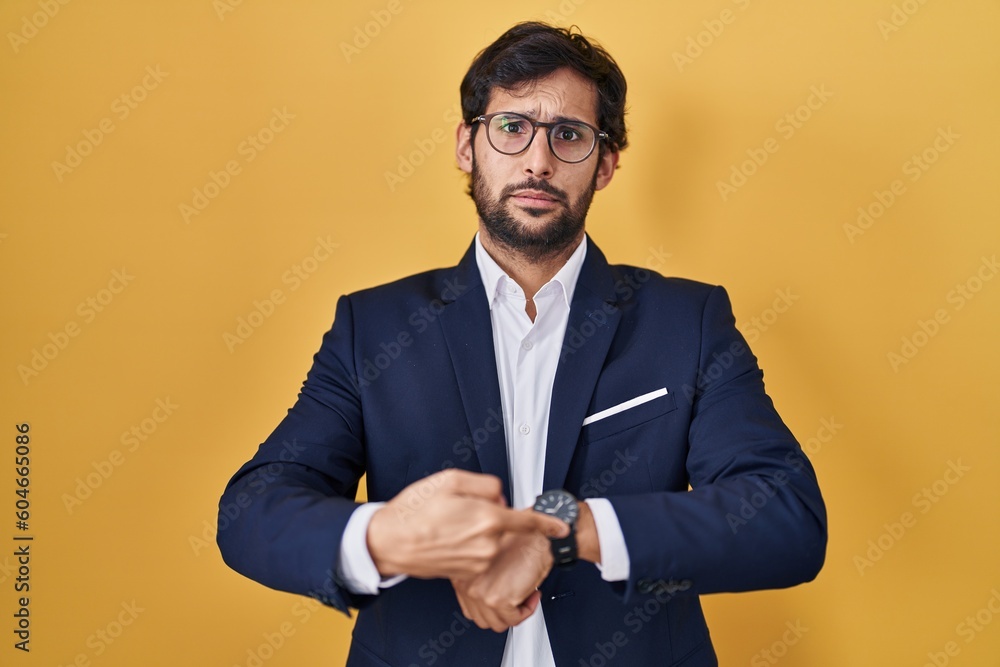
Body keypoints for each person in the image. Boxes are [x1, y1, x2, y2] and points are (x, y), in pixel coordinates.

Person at [217, 21, 827, 667]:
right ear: (467, 144)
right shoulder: (374, 326)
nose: (537, 161)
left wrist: (566, 532)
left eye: (569, 135)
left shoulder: (688, 321)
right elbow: (252, 511)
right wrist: (386, 536)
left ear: (607, 164)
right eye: (512, 128)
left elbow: (785, 516)